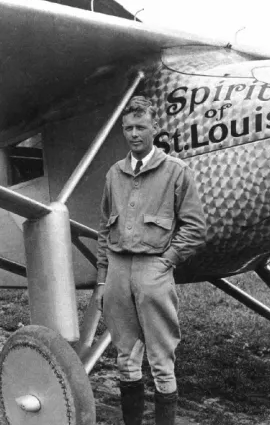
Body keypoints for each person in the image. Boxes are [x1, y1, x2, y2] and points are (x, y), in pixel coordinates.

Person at [96, 96, 207, 425]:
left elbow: (195, 228)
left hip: (153, 270)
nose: (134, 134)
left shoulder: (177, 172)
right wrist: (103, 279)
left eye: (141, 127)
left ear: (155, 129)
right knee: (125, 358)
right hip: (117, 272)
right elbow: (104, 228)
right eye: (128, 128)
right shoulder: (114, 174)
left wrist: (167, 260)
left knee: (161, 360)